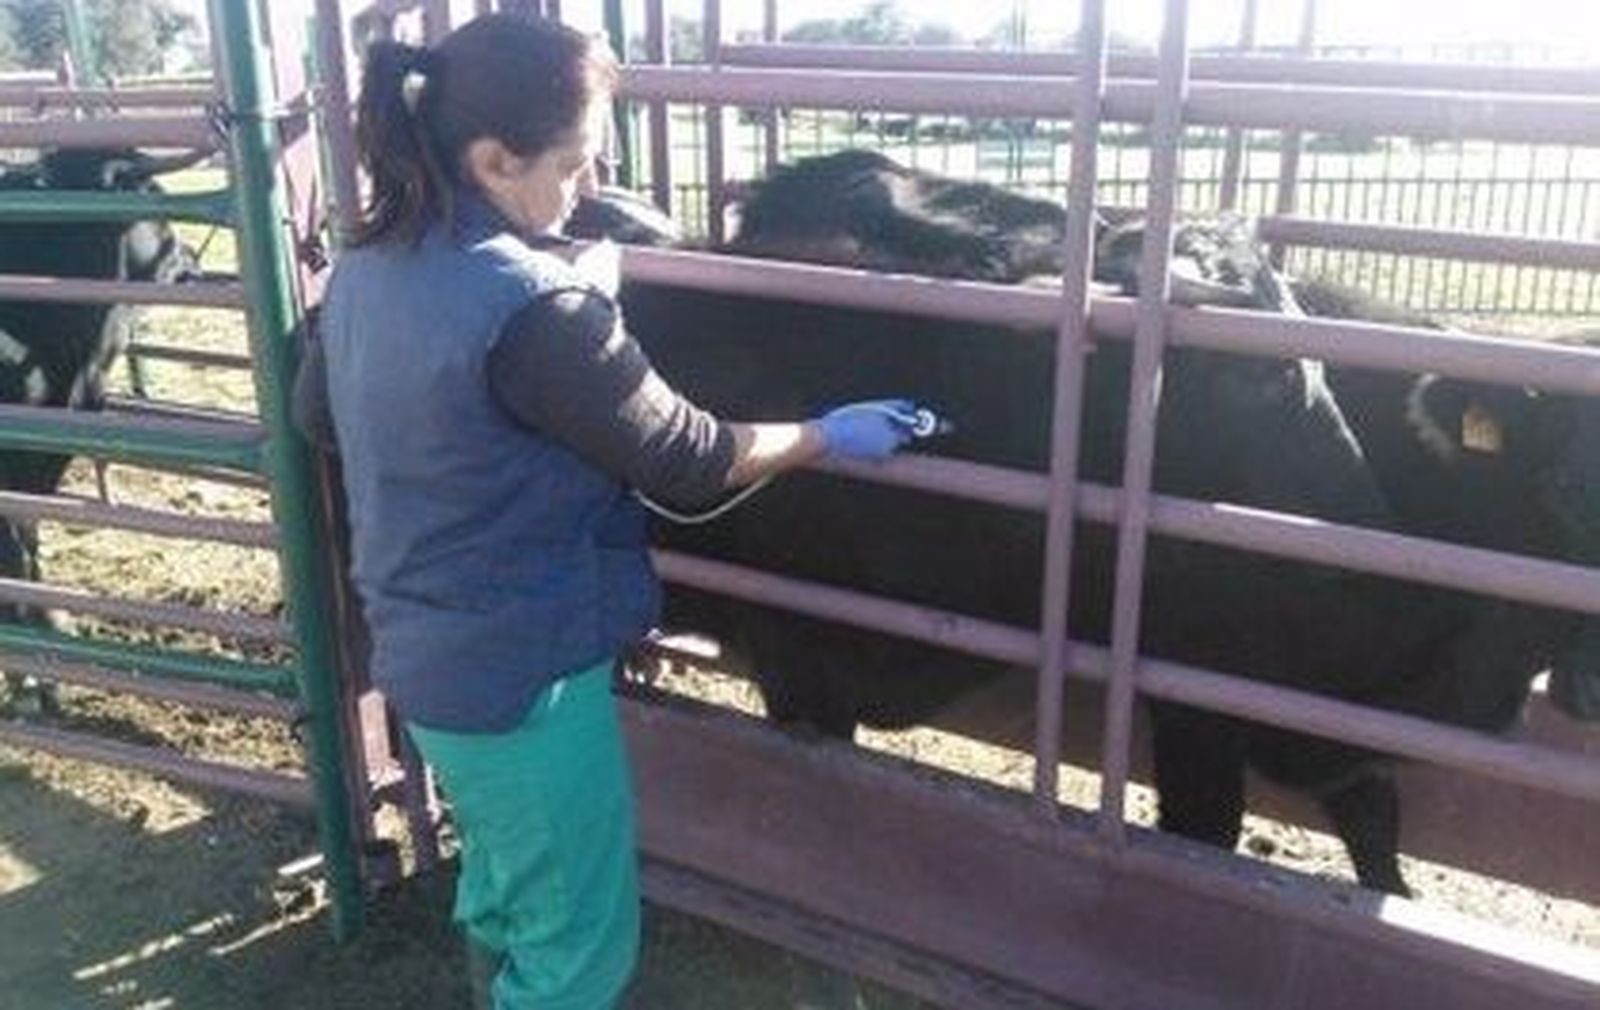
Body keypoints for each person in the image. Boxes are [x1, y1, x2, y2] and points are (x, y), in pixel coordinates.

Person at [308, 13, 919, 1010]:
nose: (589, 187)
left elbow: (313, 408)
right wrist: (820, 433)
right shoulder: (537, 311)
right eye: (575, 161)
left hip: (424, 657)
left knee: (504, 885)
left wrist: (544, 300)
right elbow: (687, 456)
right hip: (528, 677)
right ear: (494, 158)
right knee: (579, 952)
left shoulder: (368, 266)